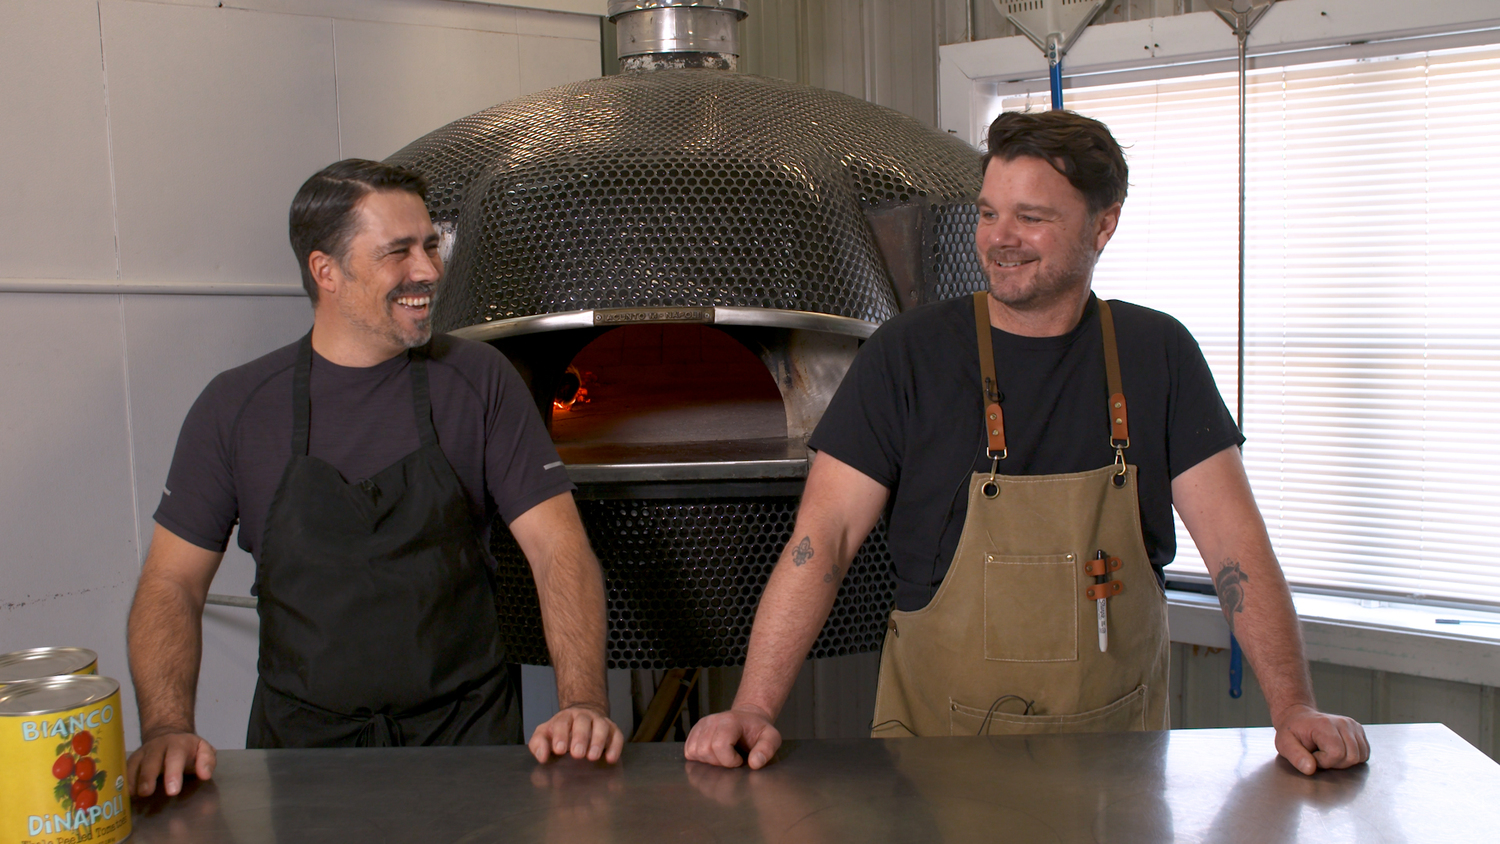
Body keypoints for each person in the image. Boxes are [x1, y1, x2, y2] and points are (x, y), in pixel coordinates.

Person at [685, 110, 1370, 774]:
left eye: (1031, 217)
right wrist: (754, 706)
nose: (1000, 239)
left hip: (1118, 761)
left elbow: (1235, 546)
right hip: (936, 762)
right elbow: (823, 541)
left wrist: (1294, 707)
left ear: (1104, 225)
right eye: (988, 213)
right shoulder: (907, 355)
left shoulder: (1159, 353)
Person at [126, 159, 624, 797]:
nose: (429, 270)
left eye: (430, 246)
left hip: (467, 745)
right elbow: (171, 583)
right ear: (326, 271)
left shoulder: (480, 382)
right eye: (399, 252)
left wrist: (583, 703)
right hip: (300, 758)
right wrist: (167, 727)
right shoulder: (237, 407)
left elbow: (559, 549)